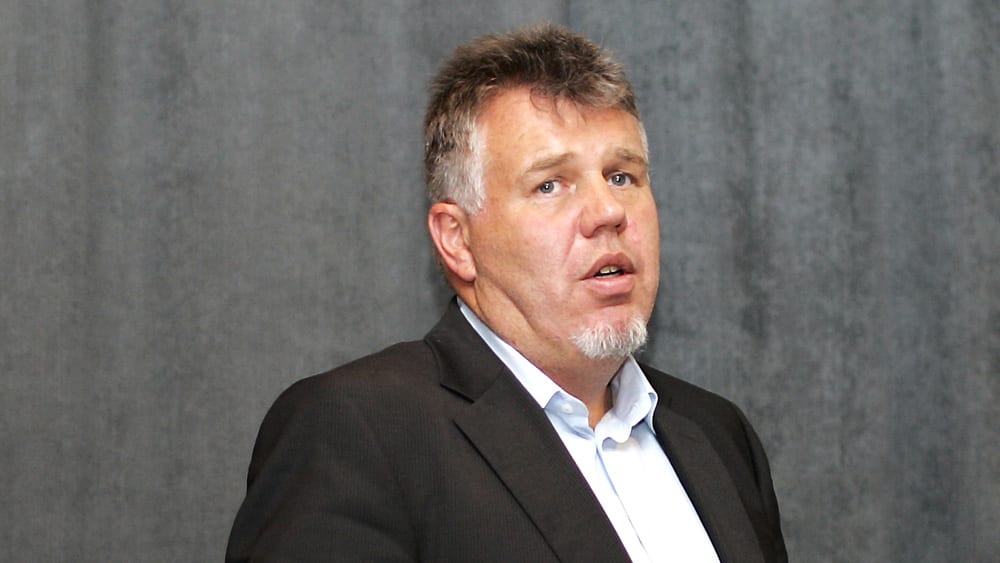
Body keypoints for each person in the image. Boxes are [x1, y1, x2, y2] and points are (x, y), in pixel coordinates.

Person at [226, 23, 787, 563]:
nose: (608, 212)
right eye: (550, 185)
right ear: (458, 239)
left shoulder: (718, 435)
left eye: (622, 176)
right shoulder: (358, 431)